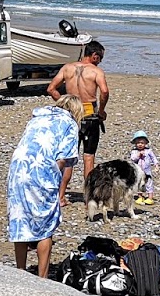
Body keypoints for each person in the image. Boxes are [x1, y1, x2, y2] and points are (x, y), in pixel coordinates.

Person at [7, 94, 82, 279]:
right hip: (42, 170)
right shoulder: (70, 124)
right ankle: (42, 278)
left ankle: (20, 271)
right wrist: (54, 180)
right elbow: (63, 158)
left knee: (21, 219)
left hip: (17, 169)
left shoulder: (37, 118)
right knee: (45, 225)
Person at [46, 40, 109, 186]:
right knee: (88, 157)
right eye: (100, 58)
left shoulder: (67, 68)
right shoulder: (95, 71)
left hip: (72, 115)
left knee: (68, 156)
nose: (100, 62)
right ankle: (88, 196)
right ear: (94, 56)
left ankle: (61, 196)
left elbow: (51, 89)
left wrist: (66, 103)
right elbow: (104, 91)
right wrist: (101, 111)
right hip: (90, 116)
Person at [128, 130, 159, 209]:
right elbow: (132, 159)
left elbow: (153, 158)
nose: (140, 145)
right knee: (139, 184)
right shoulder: (134, 151)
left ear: (145, 143)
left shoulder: (148, 151)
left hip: (147, 171)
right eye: (138, 143)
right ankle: (140, 197)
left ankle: (150, 198)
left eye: (142, 143)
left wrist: (156, 165)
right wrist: (138, 155)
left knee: (149, 184)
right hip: (138, 172)